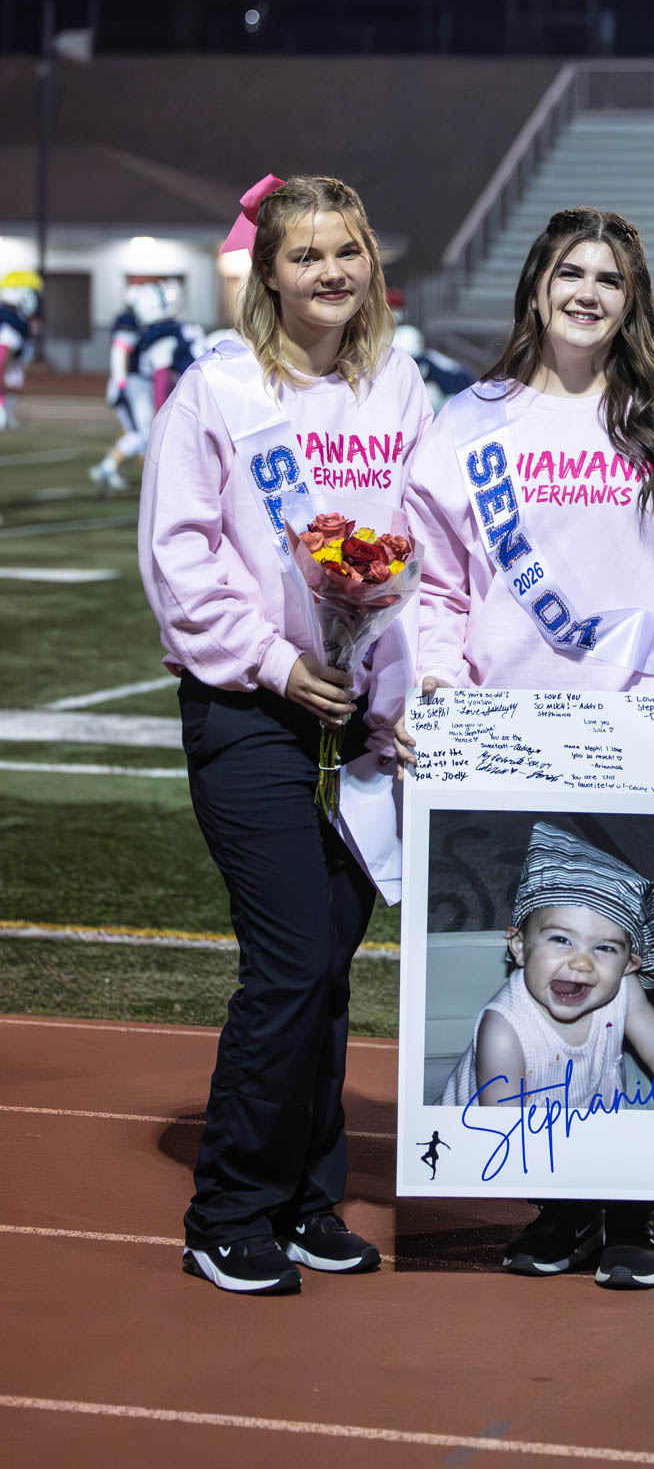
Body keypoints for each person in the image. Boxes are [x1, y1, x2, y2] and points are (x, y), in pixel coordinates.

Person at [402, 204, 654, 1290]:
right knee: (556, 985)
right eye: (571, 272)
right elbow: (437, 588)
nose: (588, 293)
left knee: (639, 981)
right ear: (537, 286)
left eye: (610, 278)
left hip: (650, 744)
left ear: (632, 300)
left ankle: (633, 1207)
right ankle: (561, 1204)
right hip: (516, 747)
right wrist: (437, 684)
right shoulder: (469, 423)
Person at [139, 173, 432, 1296]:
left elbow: (425, 548)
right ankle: (227, 1210)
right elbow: (181, 558)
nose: (331, 272)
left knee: (330, 971)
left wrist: (398, 699)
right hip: (251, 712)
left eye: (347, 250)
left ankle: (308, 1201)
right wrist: (274, 661)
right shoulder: (216, 390)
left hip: (357, 717)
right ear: (268, 273)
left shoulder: (398, 385)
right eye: (305, 254)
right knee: (293, 961)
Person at [441, 822, 654, 1134]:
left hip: (584, 1115)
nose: (581, 962)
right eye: (561, 939)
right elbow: (504, 1133)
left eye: (604, 948)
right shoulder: (503, 1031)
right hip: (495, 1133)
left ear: (628, 966)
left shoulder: (624, 989)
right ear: (519, 947)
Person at [91, 281, 205, 493]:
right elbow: (125, 357)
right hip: (136, 384)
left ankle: (122, 471)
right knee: (144, 435)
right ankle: (109, 470)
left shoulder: (158, 331)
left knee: (140, 433)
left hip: (140, 384)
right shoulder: (140, 326)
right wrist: (121, 383)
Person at [0, 270, 41, 431]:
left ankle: (6, 412)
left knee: (13, 378)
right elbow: (3, 358)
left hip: (10, 365)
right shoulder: (12, 322)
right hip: (6, 366)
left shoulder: (14, 318)